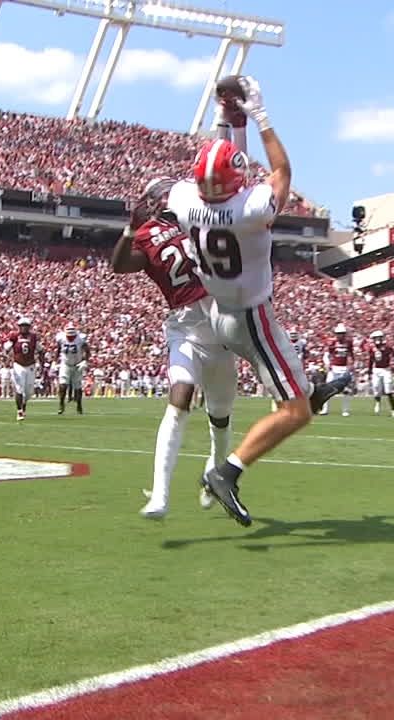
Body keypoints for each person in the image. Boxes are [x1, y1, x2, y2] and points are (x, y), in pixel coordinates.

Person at [164, 75, 350, 526]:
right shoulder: (249, 210)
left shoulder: (184, 199)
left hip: (221, 311)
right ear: (235, 183)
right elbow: (282, 173)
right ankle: (227, 472)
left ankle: (312, 389)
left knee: (297, 384)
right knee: (295, 412)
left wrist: (226, 120)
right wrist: (260, 117)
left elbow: (224, 164)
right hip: (251, 317)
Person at [111, 176, 239, 519]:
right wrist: (128, 229)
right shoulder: (145, 233)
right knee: (178, 400)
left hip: (219, 322)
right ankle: (161, 497)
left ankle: (216, 472)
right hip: (183, 325)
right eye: (160, 194)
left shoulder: (194, 216)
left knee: (220, 418)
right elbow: (119, 265)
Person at [9, 317, 39, 422]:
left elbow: (39, 349)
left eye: (26, 326)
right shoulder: (14, 336)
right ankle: (19, 411)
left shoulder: (33, 337)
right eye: (22, 326)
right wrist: (9, 345)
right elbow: (6, 348)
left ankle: (24, 404)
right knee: (19, 388)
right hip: (18, 364)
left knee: (29, 391)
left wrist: (41, 361)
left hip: (30, 365)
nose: (24, 328)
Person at [55, 324, 89, 415]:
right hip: (65, 363)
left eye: (72, 336)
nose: (70, 338)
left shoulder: (80, 339)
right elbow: (58, 349)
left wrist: (85, 361)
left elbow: (87, 350)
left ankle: (79, 405)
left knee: (78, 387)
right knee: (63, 384)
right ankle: (61, 403)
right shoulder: (61, 338)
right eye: (69, 336)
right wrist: (55, 361)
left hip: (77, 364)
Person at [367, 330, 394, 418]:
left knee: (388, 391)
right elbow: (370, 361)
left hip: (386, 370)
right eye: (374, 338)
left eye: (377, 338)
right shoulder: (372, 349)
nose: (375, 340)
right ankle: (377, 402)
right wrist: (369, 372)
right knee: (376, 388)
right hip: (376, 370)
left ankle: (393, 411)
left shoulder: (387, 347)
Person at [323, 324, 355, 417]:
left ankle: (345, 410)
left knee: (346, 390)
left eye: (342, 333)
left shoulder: (349, 342)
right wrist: (327, 364)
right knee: (327, 389)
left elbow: (351, 354)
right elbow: (326, 354)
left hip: (344, 368)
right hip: (334, 368)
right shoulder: (332, 342)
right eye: (338, 333)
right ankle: (325, 409)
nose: (340, 335)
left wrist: (351, 364)